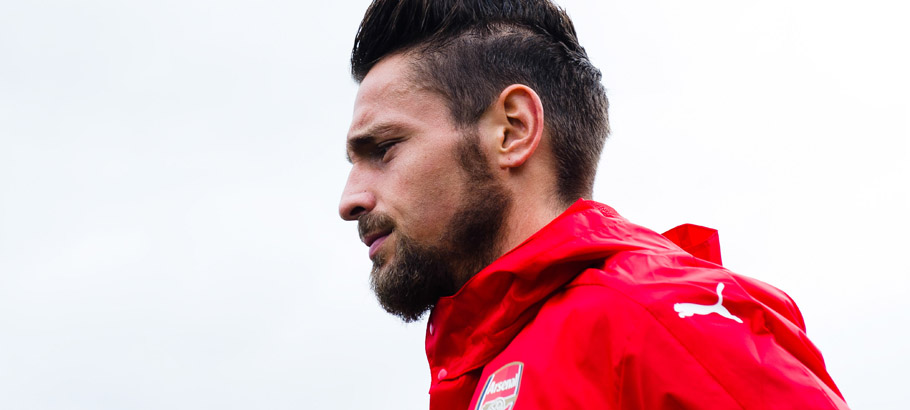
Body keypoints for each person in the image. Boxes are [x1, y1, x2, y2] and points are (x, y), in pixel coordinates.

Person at [338, 0, 849, 409]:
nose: (349, 200)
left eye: (383, 149)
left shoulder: (656, 324)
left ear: (512, 131)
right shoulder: (490, 364)